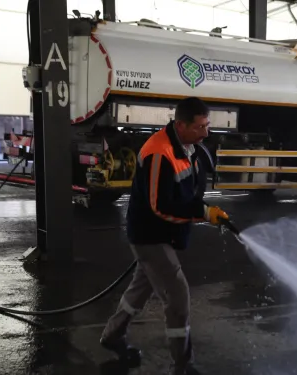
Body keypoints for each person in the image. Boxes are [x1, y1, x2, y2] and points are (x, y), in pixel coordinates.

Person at [100, 97, 228, 375]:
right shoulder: (160, 153)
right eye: (201, 127)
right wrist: (203, 214)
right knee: (178, 296)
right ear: (180, 125)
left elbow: (190, 191)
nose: (206, 133)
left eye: (207, 126)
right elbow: (161, 206)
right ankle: (183, 365)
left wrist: (206, 209)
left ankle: (112, 335)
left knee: (140, 288)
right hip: (150, 236)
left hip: (164, 234)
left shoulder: (189, 146)